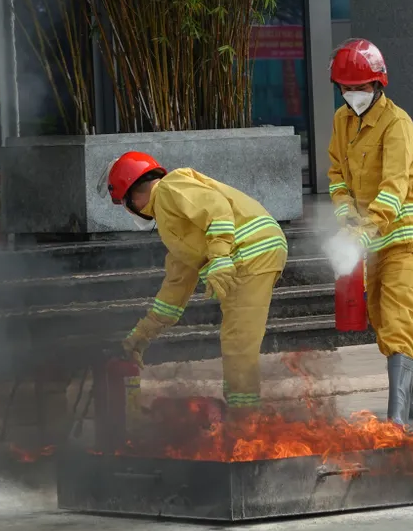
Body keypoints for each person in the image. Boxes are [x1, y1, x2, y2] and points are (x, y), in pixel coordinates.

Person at [99, 152, 288, 417]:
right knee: (237, 338)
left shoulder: (170, 187)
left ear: (130, 196)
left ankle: (245, 421)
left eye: (123, 204)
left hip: (251, 252)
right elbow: (174, 290)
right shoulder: (171, 225)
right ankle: (243, 414)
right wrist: (141, 335)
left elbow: (215, 207)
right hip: (249, 254)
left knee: (238, 341)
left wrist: (221, 256)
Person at [326, 38, 413, 429]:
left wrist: (366, 229)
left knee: (396, 317)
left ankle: (397, 423)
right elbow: (337, 174)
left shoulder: (398, 125)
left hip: (405, 235)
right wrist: (345, 220)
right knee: (383, 320)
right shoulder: (341, 121)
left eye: (361, 87)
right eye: (346, 88)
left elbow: (394, 188)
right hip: (370, 237)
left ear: (378, 85)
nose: (353, 95)